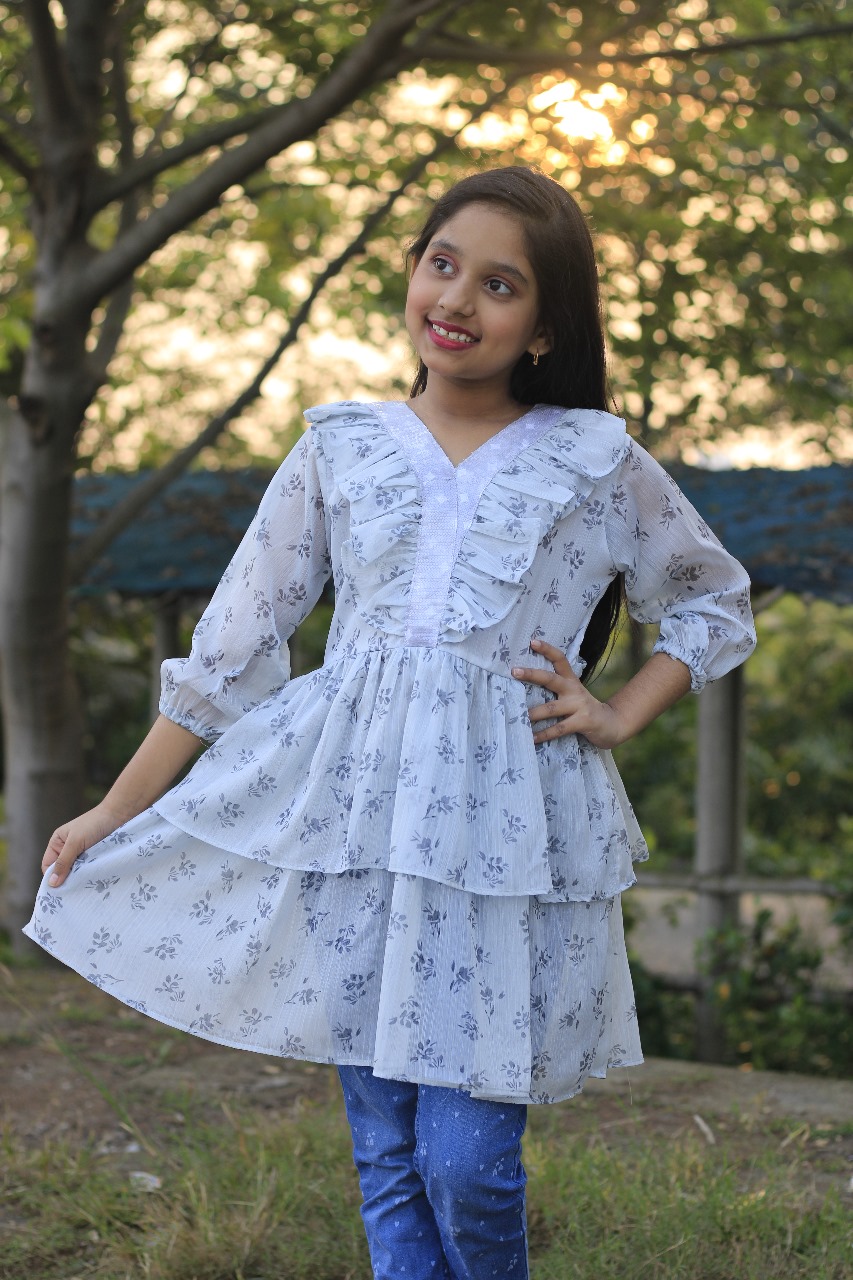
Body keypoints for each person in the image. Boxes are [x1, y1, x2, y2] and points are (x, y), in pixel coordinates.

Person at [26, 166, 756, 1278]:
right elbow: (230, 653)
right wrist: (114, 811)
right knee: (390, 1156)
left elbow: (711, 598)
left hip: (502, 840)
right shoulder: (340, 446)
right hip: (352, 823)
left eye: (499, 284)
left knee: (467, 1163)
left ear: (545, 326)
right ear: (412, 271)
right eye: (440, 264)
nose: (456, 298)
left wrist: (618, 711)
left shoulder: (595, 457)